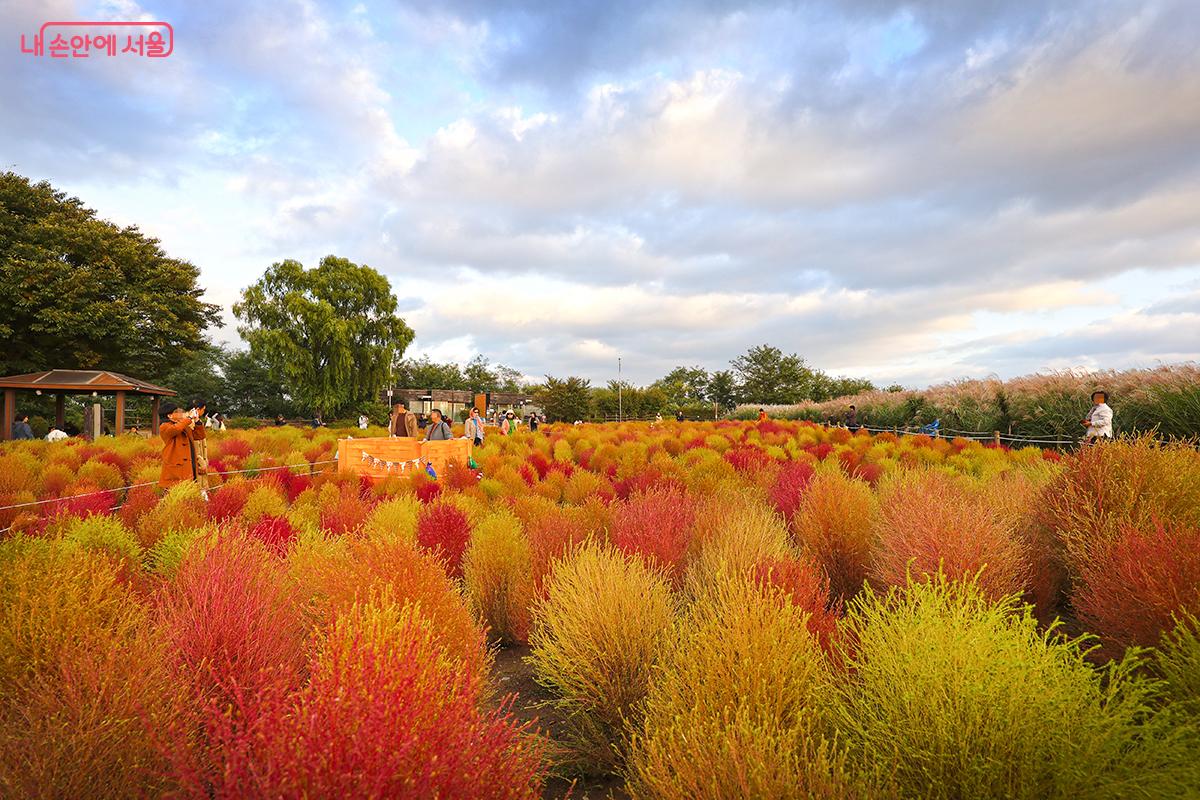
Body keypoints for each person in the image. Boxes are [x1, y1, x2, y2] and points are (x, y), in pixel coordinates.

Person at [158, 402, 200, 489]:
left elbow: (199, 436)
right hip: (176, 470)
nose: (181, 413)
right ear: (169, 416)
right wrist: (189, 418)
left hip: (190, 466)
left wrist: (197, 421)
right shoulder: (164, 426)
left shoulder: (183, 425)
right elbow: (176, 429)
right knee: (176, 495)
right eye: (177, 412)